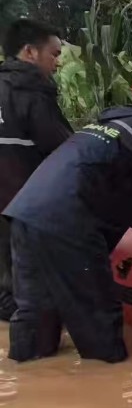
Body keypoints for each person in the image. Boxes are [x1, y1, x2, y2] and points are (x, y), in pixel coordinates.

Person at [3, 65, 132, 363]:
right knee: (100, 324)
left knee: (35, 317)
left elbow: (113, 185)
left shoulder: (112, 125)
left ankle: (26, 384)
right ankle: (106, 385)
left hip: (26, 215)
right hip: (69, 225)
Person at [0, 19, 74, 323]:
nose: (56, 64)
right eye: (53, 55)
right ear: (30, 52)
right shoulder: (32, 91)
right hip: (25, 209)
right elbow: (66, 151)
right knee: (30, 303)